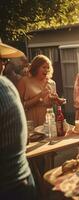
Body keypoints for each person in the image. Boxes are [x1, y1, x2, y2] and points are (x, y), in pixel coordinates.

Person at [0, 46, 37, 199]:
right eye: (2, 60)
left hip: (11, 188)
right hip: (17, 184)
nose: (3, 65)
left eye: (4, 60)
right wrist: (41, 97)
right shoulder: (17, 82)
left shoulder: (3, 86)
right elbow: (24, 104)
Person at [17, 55, 65, 126]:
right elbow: (19, 106)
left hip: (48, 121)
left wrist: (57, 101)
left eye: (48, 67)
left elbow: (51, 104)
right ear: (36, 68)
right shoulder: (25, 81)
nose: (47, 70)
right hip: (32, 121)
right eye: (44, 67)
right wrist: (39, 97)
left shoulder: (52, 83)